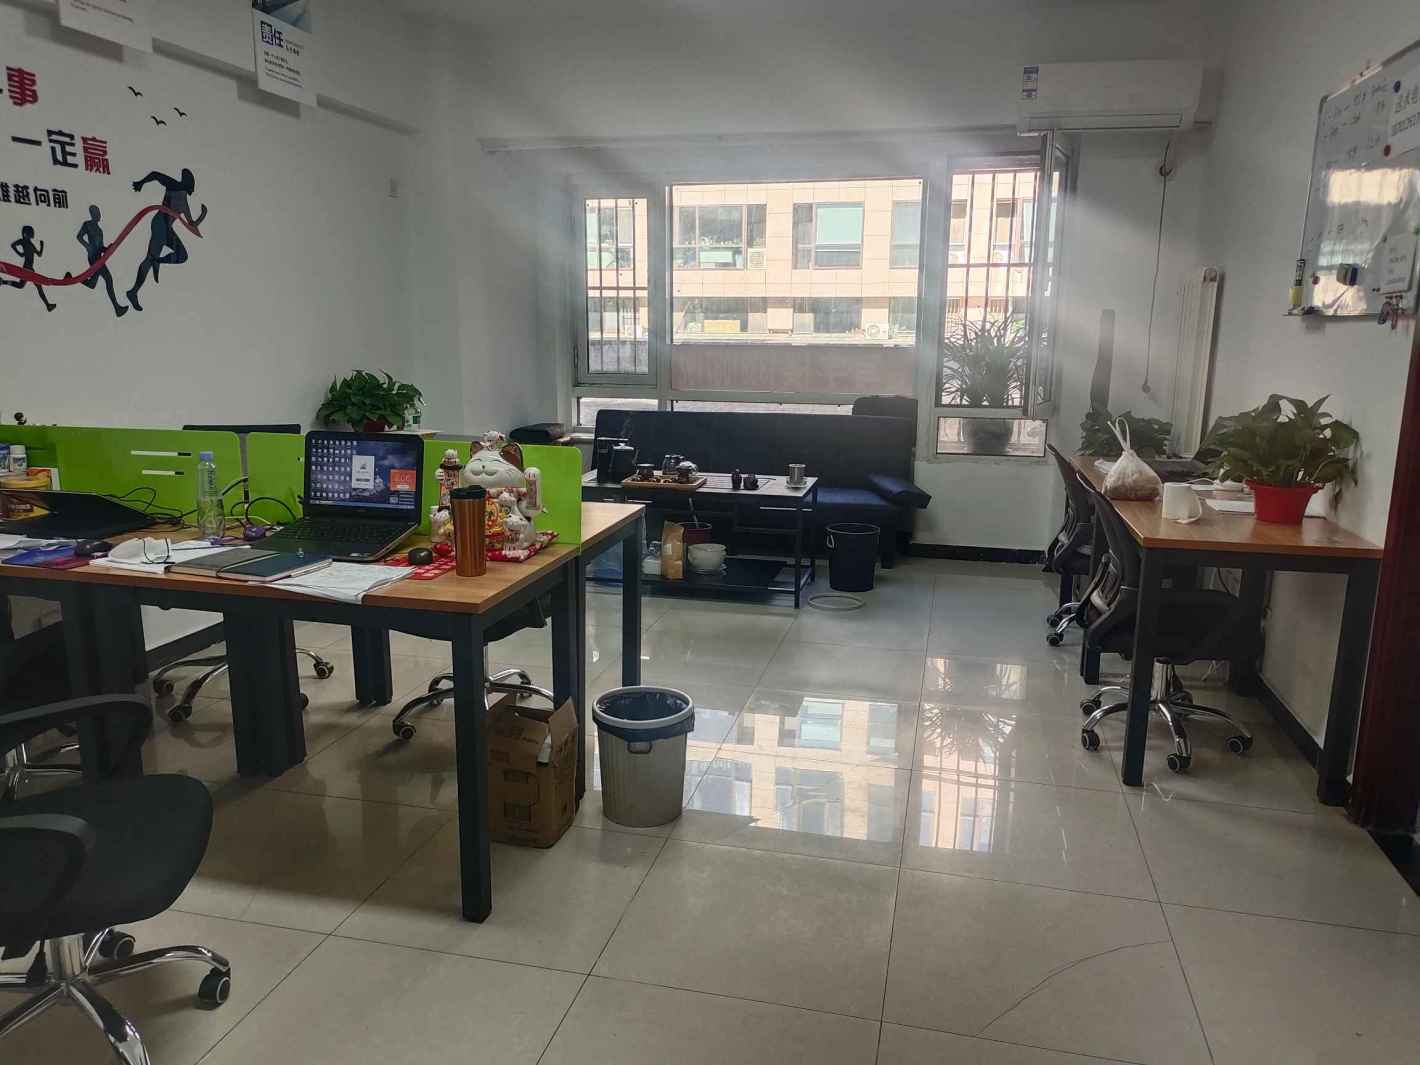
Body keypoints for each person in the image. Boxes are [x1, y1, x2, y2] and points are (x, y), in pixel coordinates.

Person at [126, 167, 207, 312]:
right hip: (160, 225)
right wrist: (141, 183)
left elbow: (191, 224)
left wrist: (203, 214)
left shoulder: (184, 201)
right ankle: (134, 291)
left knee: (181, 255)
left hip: (166, 228)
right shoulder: (173, 185)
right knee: (150, 259)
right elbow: (155, 174)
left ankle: (156, 262)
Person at [68, 206, 128, 318]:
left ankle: (70, 279)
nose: (99, 215)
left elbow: (101, 247)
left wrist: (108, 248)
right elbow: (79, 237)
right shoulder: (87, 224)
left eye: (99, 212)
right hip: (93, 258)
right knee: (108, 279)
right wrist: (88, 246)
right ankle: (117, 308)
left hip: (99, 258)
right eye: (96, 212)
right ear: (92, 214)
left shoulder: (100, 230)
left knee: (92, 284)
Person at [3, 225, 56, 312]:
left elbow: (39, 254)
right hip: (28, 268)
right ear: (26, 233)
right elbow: (13, 245)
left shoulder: (31, 244)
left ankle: (3, 282)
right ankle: (48, 305)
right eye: (31, 232)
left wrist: (42, 246)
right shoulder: (23, 241)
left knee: (21, 285)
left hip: (29, 269)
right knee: (37, 286)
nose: (32, 234)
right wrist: (20, 254)